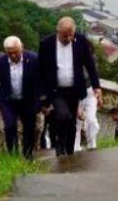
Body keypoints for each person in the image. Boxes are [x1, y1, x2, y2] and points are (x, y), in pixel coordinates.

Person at [38, 16, 102, 157]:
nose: (68, 38)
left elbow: (90, 65)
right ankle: (59, 147)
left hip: (74, 89)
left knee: (72, 121)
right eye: (64, 35)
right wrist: (41, 95)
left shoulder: (81, 41)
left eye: (70, 35)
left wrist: (97, 86)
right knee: (62, 115)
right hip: (56, 90)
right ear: (58, 31)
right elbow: (40, 70)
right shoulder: (46, 43)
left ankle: (70, 151)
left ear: (74, 32)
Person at [0, 36, 42, 160]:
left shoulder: (33, 59)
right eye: (9, 53)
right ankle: (13, 154)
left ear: (21, 48)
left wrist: (41, 102)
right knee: (10, 126)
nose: (13, 56)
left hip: (27, 100)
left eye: (15, 52)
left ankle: (28, 155)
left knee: (29, 128)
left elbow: (40, 81)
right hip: (8, 101)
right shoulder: (0, 62)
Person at [74, 86, 100, 151]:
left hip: (90, 94)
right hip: (75, 95)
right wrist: (76, 108)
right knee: (76, 125)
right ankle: (75, 148)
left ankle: (92, 145)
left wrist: (100, 96)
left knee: (92, 121)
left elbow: (95, 79)